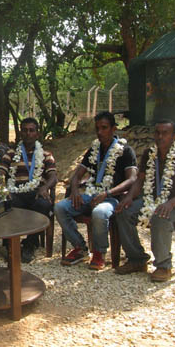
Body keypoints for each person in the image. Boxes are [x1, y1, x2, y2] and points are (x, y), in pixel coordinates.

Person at [114, 120, 175, 282]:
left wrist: (171, 203)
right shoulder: (150, 153)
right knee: (123, 211)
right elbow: (140, 180)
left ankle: (163, 266)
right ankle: (137, 259)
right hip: (151, 201)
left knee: (161, 215)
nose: (160, 136)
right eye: (157, 132)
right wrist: (129, 197)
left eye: (165, 133)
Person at [54, 111, 137, 270]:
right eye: (97, 128)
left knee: (99, 212)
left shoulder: (125, 150)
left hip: (112, 198)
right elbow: (77, 175)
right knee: (60, 207)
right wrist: (75, 191)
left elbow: (132, 179)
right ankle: (80, 248)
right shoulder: (94, 149)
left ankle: (99, 252)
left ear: (113, 129)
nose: (99, 132)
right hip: (90, 194)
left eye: (104, 128)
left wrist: (107, 193)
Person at [0, 117, 57, 263]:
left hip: (37, 192)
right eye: (25, 130)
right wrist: (1, 184)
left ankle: (30, 244)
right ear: (20, 133)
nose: (28, 133)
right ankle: (11, 245)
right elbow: (0, 171)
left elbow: (53, 177)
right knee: (7, 202)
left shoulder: (46, 155)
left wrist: (45, 188)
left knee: (43, 205)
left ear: (37, 134)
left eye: (31, 130)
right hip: (16, 191)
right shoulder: (11, 153)